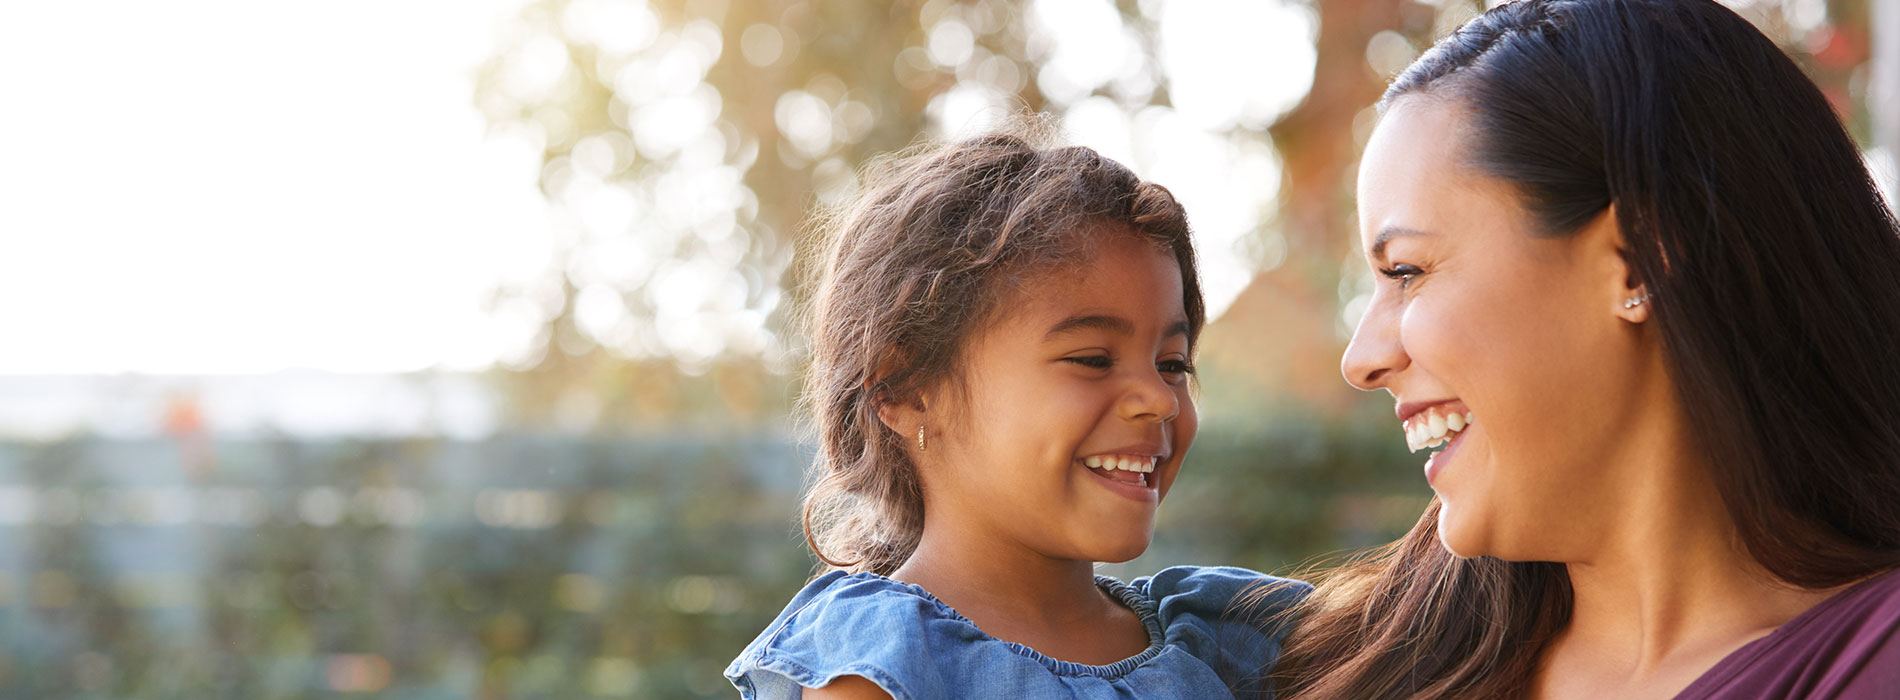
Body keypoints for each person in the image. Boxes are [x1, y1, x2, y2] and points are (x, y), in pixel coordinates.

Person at [1267, 1, 1900, 698]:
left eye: (1407, 272)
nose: (1361, 359)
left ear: (1638, 261)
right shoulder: (1275, 649)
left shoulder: (1871, 662)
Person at [724, 128, 1308, 699]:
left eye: (1173, 364)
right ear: (906, 392)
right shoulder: (879, 667)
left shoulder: (1234, 639)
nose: (1159, 398)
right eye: (1093, 358)